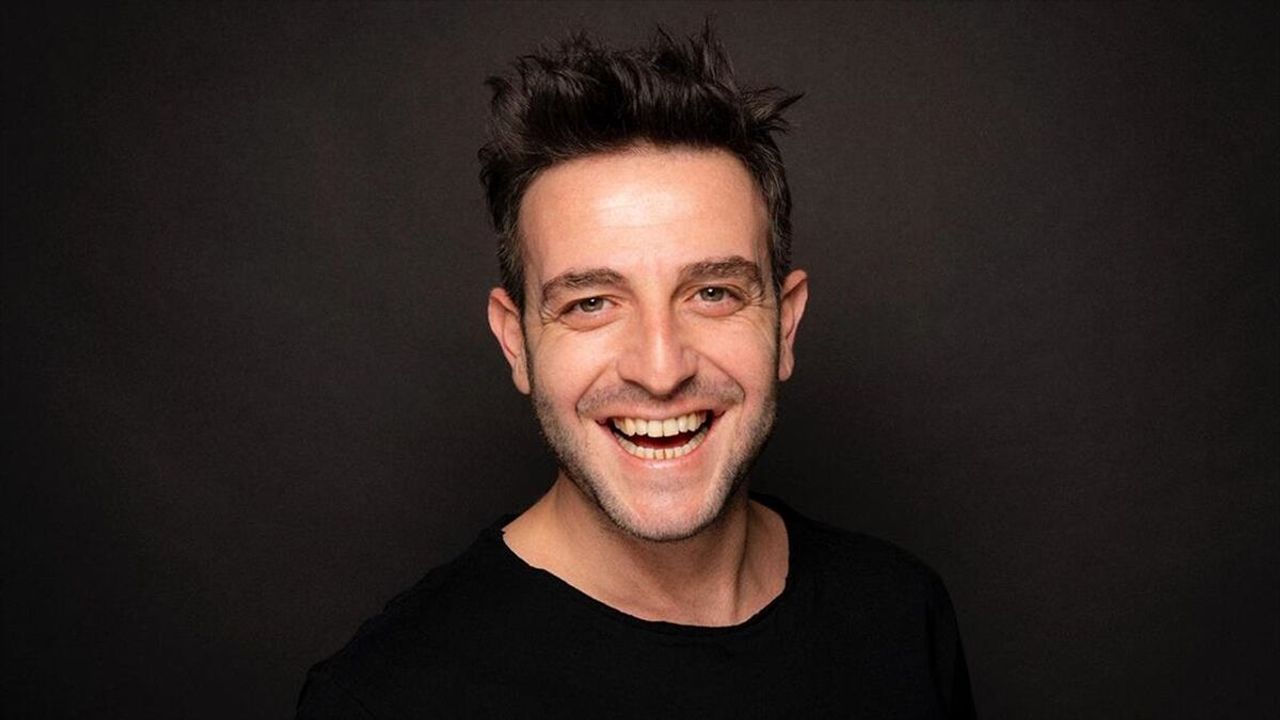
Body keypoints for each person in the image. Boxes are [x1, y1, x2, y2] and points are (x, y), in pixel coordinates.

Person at [298, 25, 975, 719]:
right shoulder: (382, 700)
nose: (660, 369)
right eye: (591, 303)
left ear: (785, 326)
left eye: (713, 293)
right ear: (515, 342)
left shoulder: (901, 614)